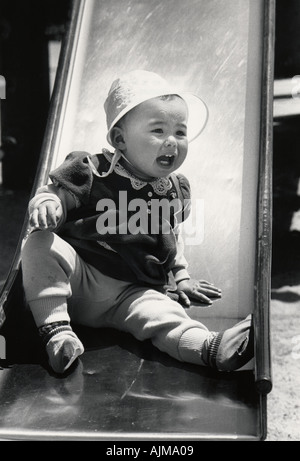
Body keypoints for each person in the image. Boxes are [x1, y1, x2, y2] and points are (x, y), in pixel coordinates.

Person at [21, 70, 253, 374]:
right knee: (39, 243)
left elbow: (170, 235)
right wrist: (48, 204)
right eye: (158, 131)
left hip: (130, 294)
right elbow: (55, 195)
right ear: (120, 139)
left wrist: (181, 276)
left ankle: (211, 348)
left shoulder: (173, 188)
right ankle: (57, 334)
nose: (172, 141)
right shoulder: (93, 171)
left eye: (180, 132)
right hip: (78, 279)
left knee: (163, 316)